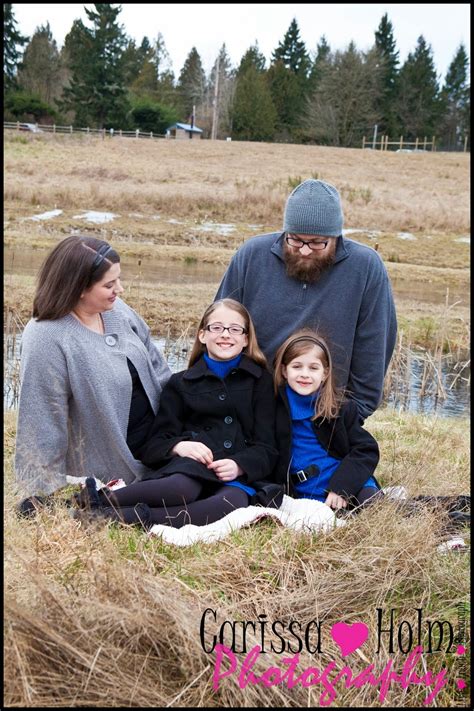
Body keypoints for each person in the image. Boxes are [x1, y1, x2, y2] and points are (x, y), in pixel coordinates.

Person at [75, 298, 283, 529]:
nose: (225, 334)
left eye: (235, 329)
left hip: (238, 477)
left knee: (226, 504)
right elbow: (154, 444)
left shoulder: (260, 381)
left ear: (245, 339)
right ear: (202, 335)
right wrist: (179, 447)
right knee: (179, 489)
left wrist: (240, 465)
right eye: (217, 327)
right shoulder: (181, 383)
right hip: (191, 469)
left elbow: (268, 447)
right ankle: (92, 501)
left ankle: (116, 517)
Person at [215, 178, 397, 422]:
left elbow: (374, 347)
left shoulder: (366, 268)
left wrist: (352, 416)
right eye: (296, 240)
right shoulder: (252, 255)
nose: (304, 250)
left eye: (317, 242)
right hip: (249, 407)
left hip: (325, 415)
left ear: (336, 236)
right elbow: (218, 328)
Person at [14, 235, 172, 511]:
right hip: (112, 461)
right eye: (109, 284)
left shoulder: (117, 311)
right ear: (78, 288)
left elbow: (158, 367)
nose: (119, 289)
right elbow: (42, 416)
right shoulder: (47, 336)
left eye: (118, 280)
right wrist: (43, 489)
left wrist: (181, 426)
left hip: (160, 443)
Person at [273, 329, 382, 511]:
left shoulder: (340, 408)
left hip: (347, 485)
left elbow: (366, 450)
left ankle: (441, 513)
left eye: (313, 368)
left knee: (375, 509)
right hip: (305, 492)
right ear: (284, 370)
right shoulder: (273, 407)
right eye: (297, 366)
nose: (305, 374)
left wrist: (342, 488)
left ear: (325, 373)